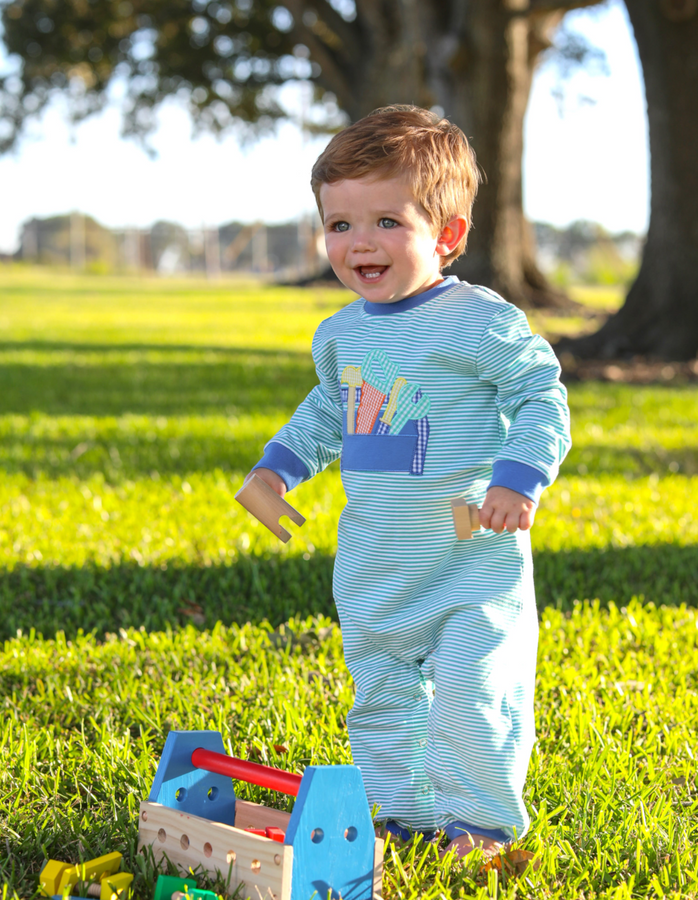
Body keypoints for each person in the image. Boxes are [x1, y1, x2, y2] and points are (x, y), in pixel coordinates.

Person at [246, 105, 571, 858]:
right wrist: (275, 468)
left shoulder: (475, 321)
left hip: (468, 556)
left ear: (447, 235)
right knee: (383, 695)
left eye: (387, 221)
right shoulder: (341, 333)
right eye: (340, 225)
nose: (360, 242)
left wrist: (519, 477)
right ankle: (401, 812)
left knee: (470, 695)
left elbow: (539, 393)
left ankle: (481, 825)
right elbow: (329, 410)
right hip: (375, 563)